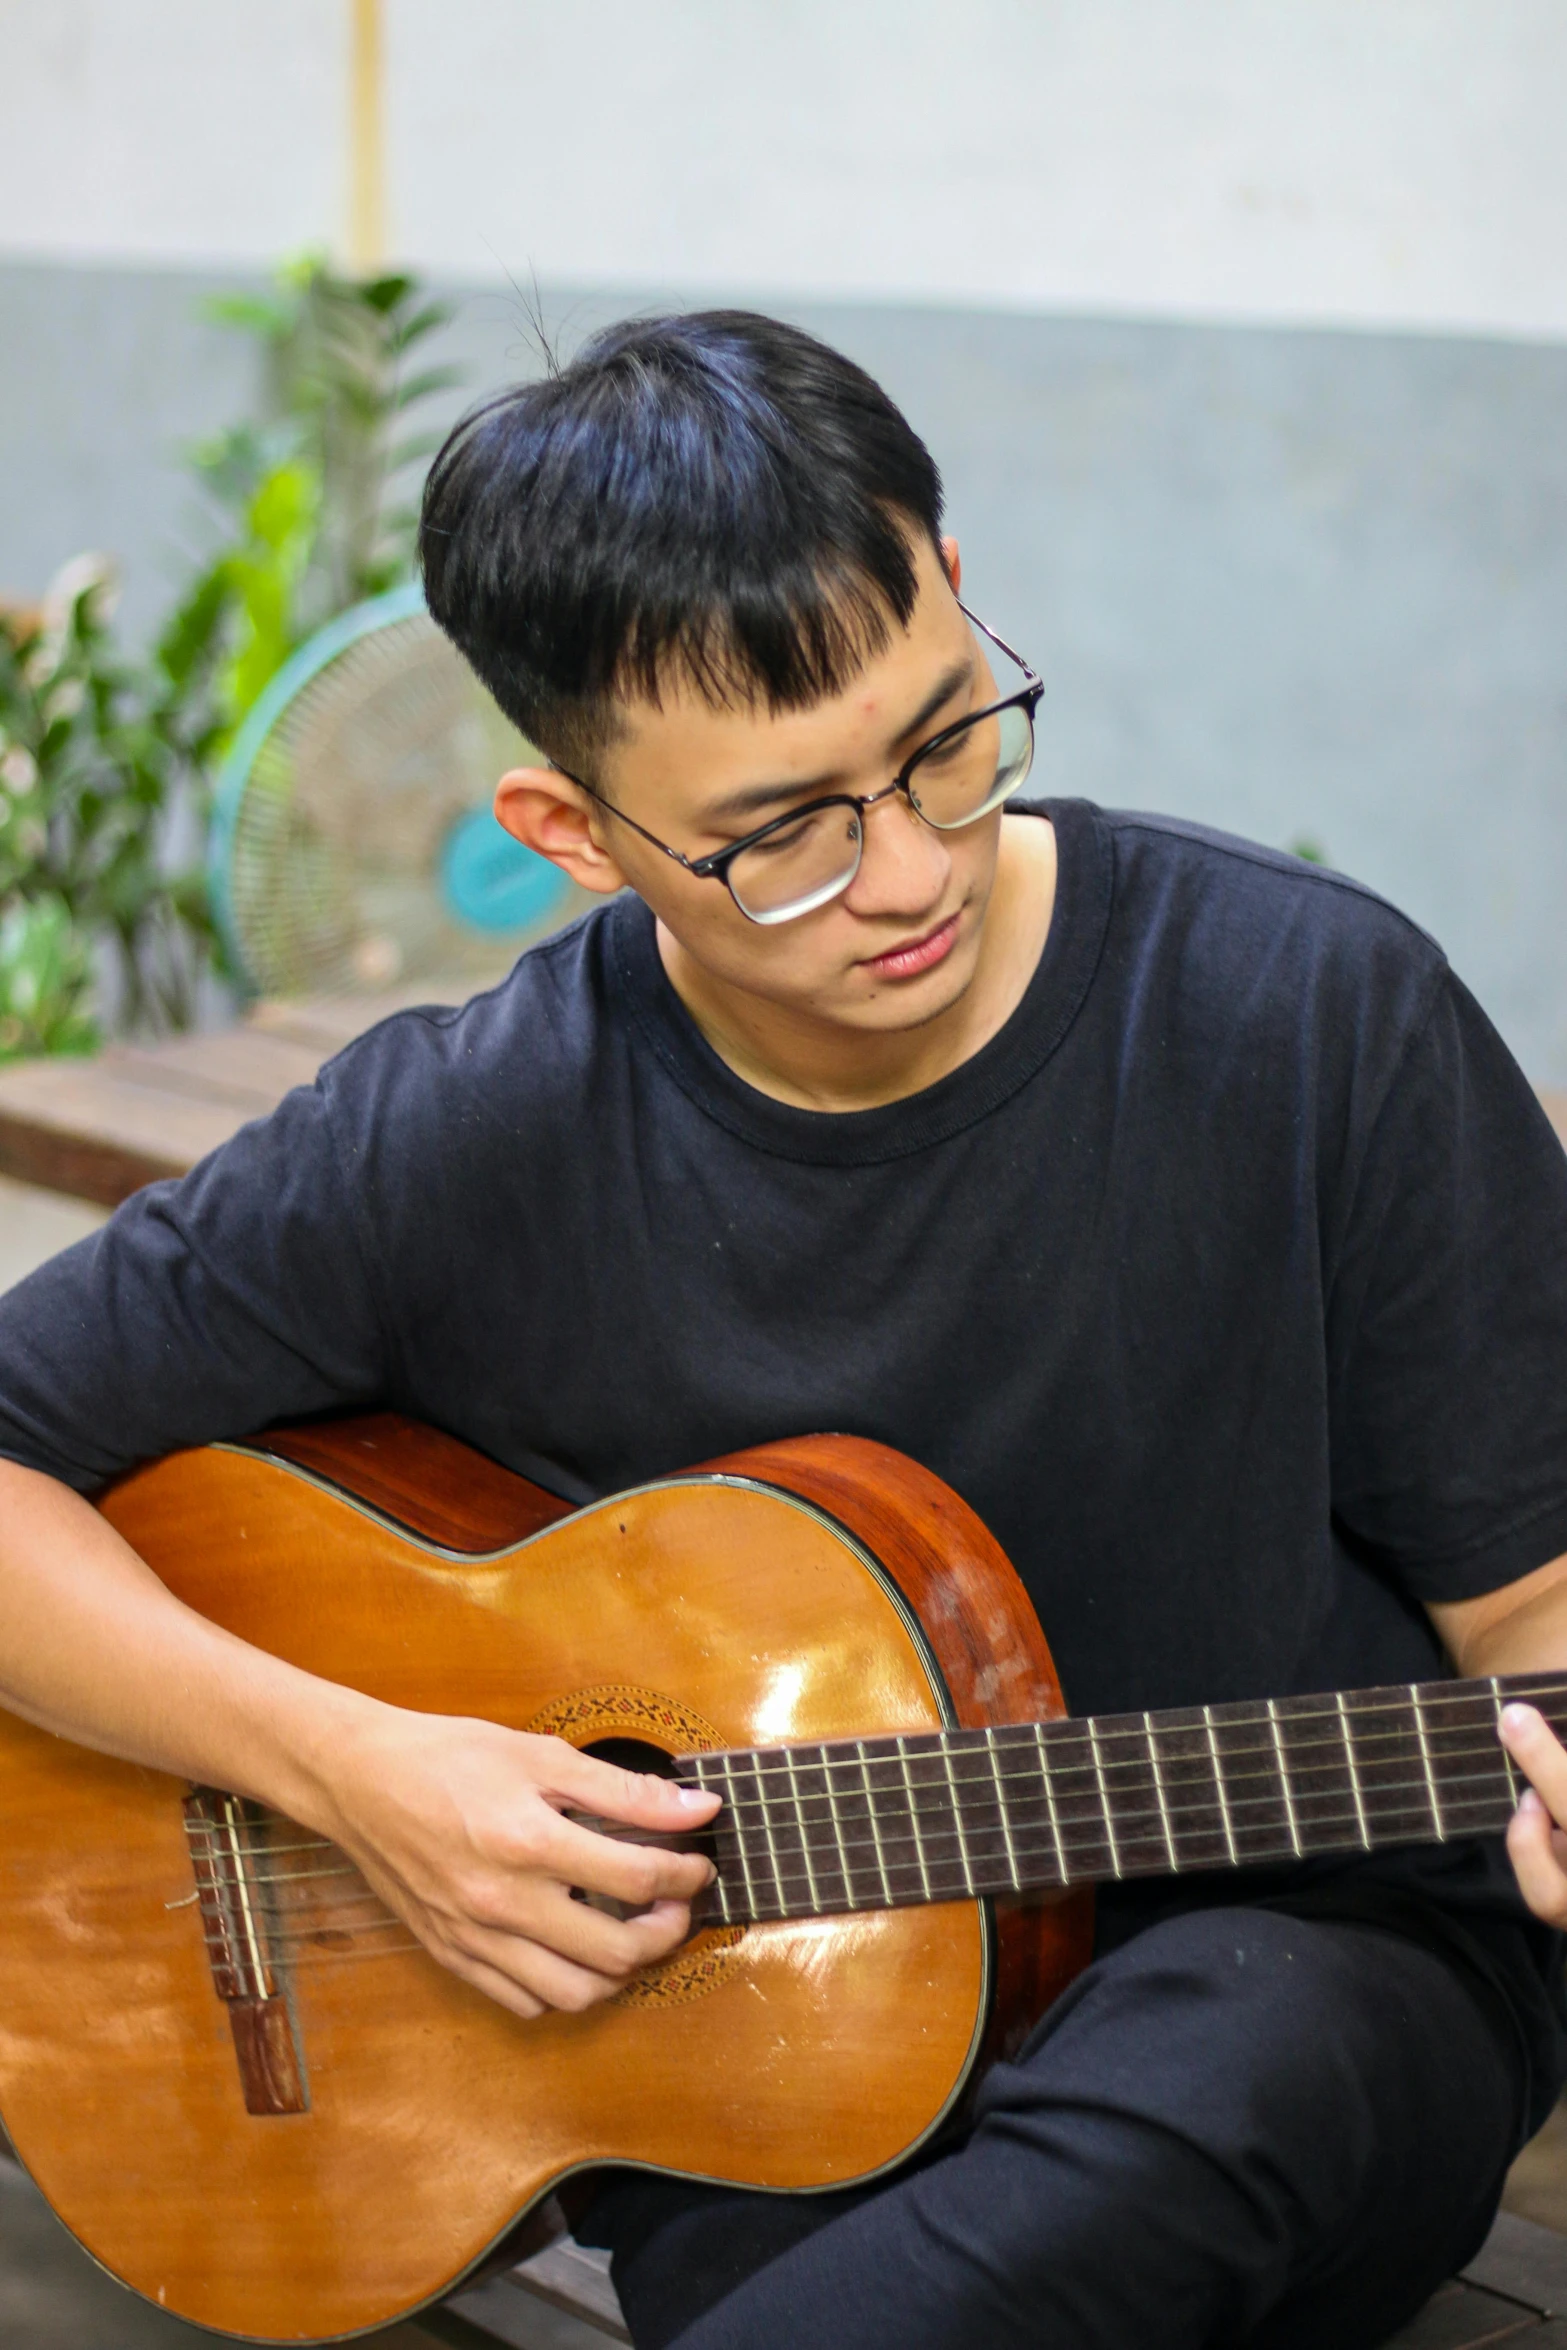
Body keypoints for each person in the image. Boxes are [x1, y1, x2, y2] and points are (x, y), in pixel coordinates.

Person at [2, 311, 1567, 2350]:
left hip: (1307, 1977)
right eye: (784, 832)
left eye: (945, 733)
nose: (907, 868)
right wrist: (362, 1768)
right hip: (764, 2073)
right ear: (574, 834)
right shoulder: (476, 1127)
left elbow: (1534, 1616)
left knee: (1241, 2045)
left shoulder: (1308, 1019)